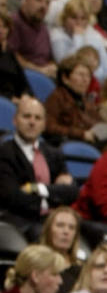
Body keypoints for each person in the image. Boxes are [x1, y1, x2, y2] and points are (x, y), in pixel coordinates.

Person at [0, 96, 76, 236]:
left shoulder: (54, 153)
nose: (32, 122)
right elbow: (12, 197)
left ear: (44, 124)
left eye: (37, 118)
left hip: (51, 221)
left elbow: (71, 192)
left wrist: (39, 188)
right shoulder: (4, 152)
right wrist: (53, 197)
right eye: (27, 116)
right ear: (15, 121)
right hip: (19, 222)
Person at [44, 52, 100, 143]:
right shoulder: (57, 97)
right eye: (81, 75)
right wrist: (81, 134)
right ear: (65, 78)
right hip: (68, 144)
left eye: (88, 76)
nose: (86, 80)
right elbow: (49, 127)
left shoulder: (86, 101)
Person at [10, 0, 57, 78]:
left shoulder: (44, 27)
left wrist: (52, 66)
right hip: (23, 77)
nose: (43, 6)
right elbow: (12, 56)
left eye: (47, 2)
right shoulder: (14, 22)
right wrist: (38, 70)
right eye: (38, 0)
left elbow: (49, 57)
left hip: (46, 76)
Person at [38, 206, 83, 293]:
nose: (66, 231)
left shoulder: (82, 270)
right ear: (48, 230)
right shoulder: (36, 264)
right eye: (60, 225)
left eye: (71, 228)